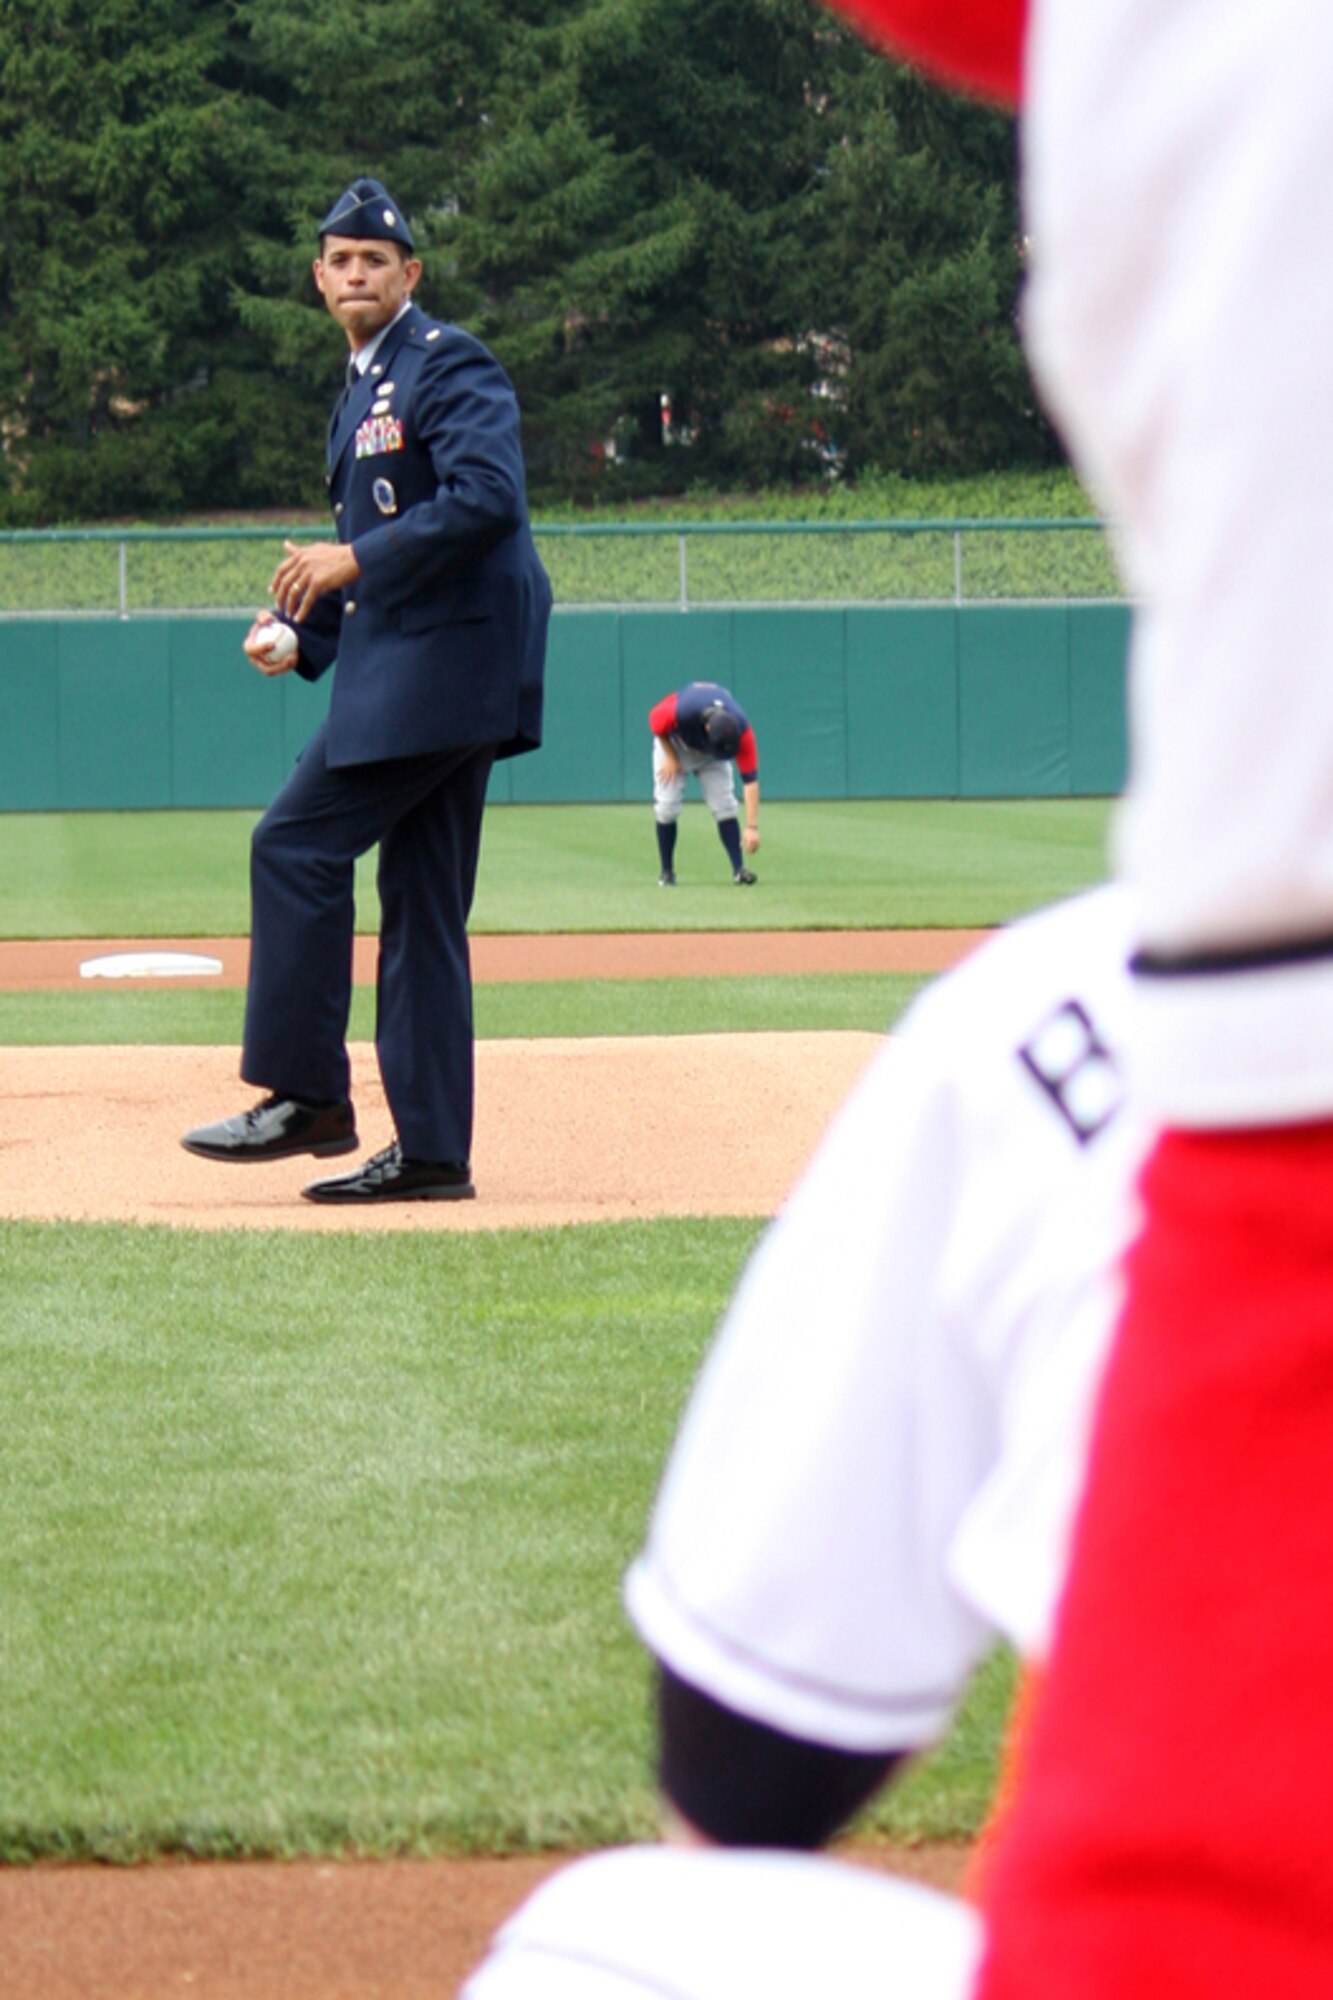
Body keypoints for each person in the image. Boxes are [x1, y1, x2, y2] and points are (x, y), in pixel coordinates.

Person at [461, 885, 1146, 1998]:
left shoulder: (1059, 1003)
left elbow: (745, 1771)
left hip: (1184, 1947)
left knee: (597, 1950)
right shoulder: (693, 716)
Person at [181, 177, 551, 1204]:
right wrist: (297, 634)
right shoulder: (355, 394)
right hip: (429, 668)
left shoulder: (446, 363)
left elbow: (487, 500)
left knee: (293, 843)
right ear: (317, 279)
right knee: (422, 909)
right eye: (339, 260)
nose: (356, 274)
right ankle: (432, 1152)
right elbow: (374, 558)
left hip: (446, 671)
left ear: (409, 275)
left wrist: (347, 562)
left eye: (374, 260)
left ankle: (308, 1092)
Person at [649, 681, 760, 886]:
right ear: (707, 727)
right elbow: (655, 721)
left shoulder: (742, 731)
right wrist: (671, 757)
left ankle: (739, 870)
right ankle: (667, 872)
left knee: (725, 805)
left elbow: (750, 780)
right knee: (667, 807)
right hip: (676, 745)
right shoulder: (683, 711)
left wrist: (752, 827)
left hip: (710, 755)